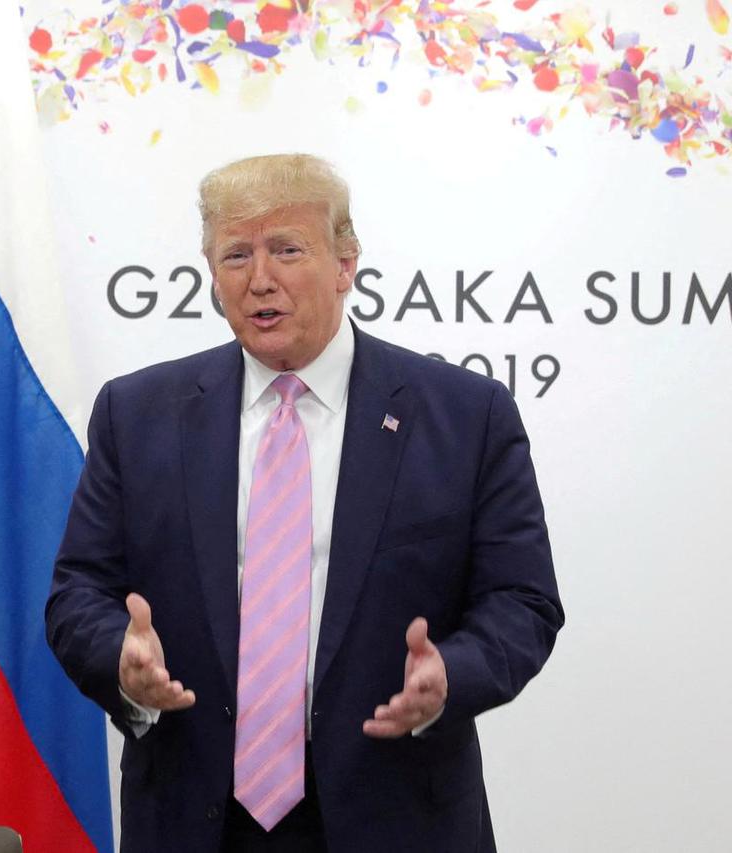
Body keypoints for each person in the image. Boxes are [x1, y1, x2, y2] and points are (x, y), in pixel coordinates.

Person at [46, 154, 563, 852]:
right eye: (236, 255)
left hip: (397, 812)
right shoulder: (136, 414)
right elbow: (79, 592)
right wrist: (121, 659)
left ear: (346, 263)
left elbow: (523, 601)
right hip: (196, 816)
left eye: (287, 249)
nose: (260, 278)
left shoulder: (465, 416)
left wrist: (453, 673)